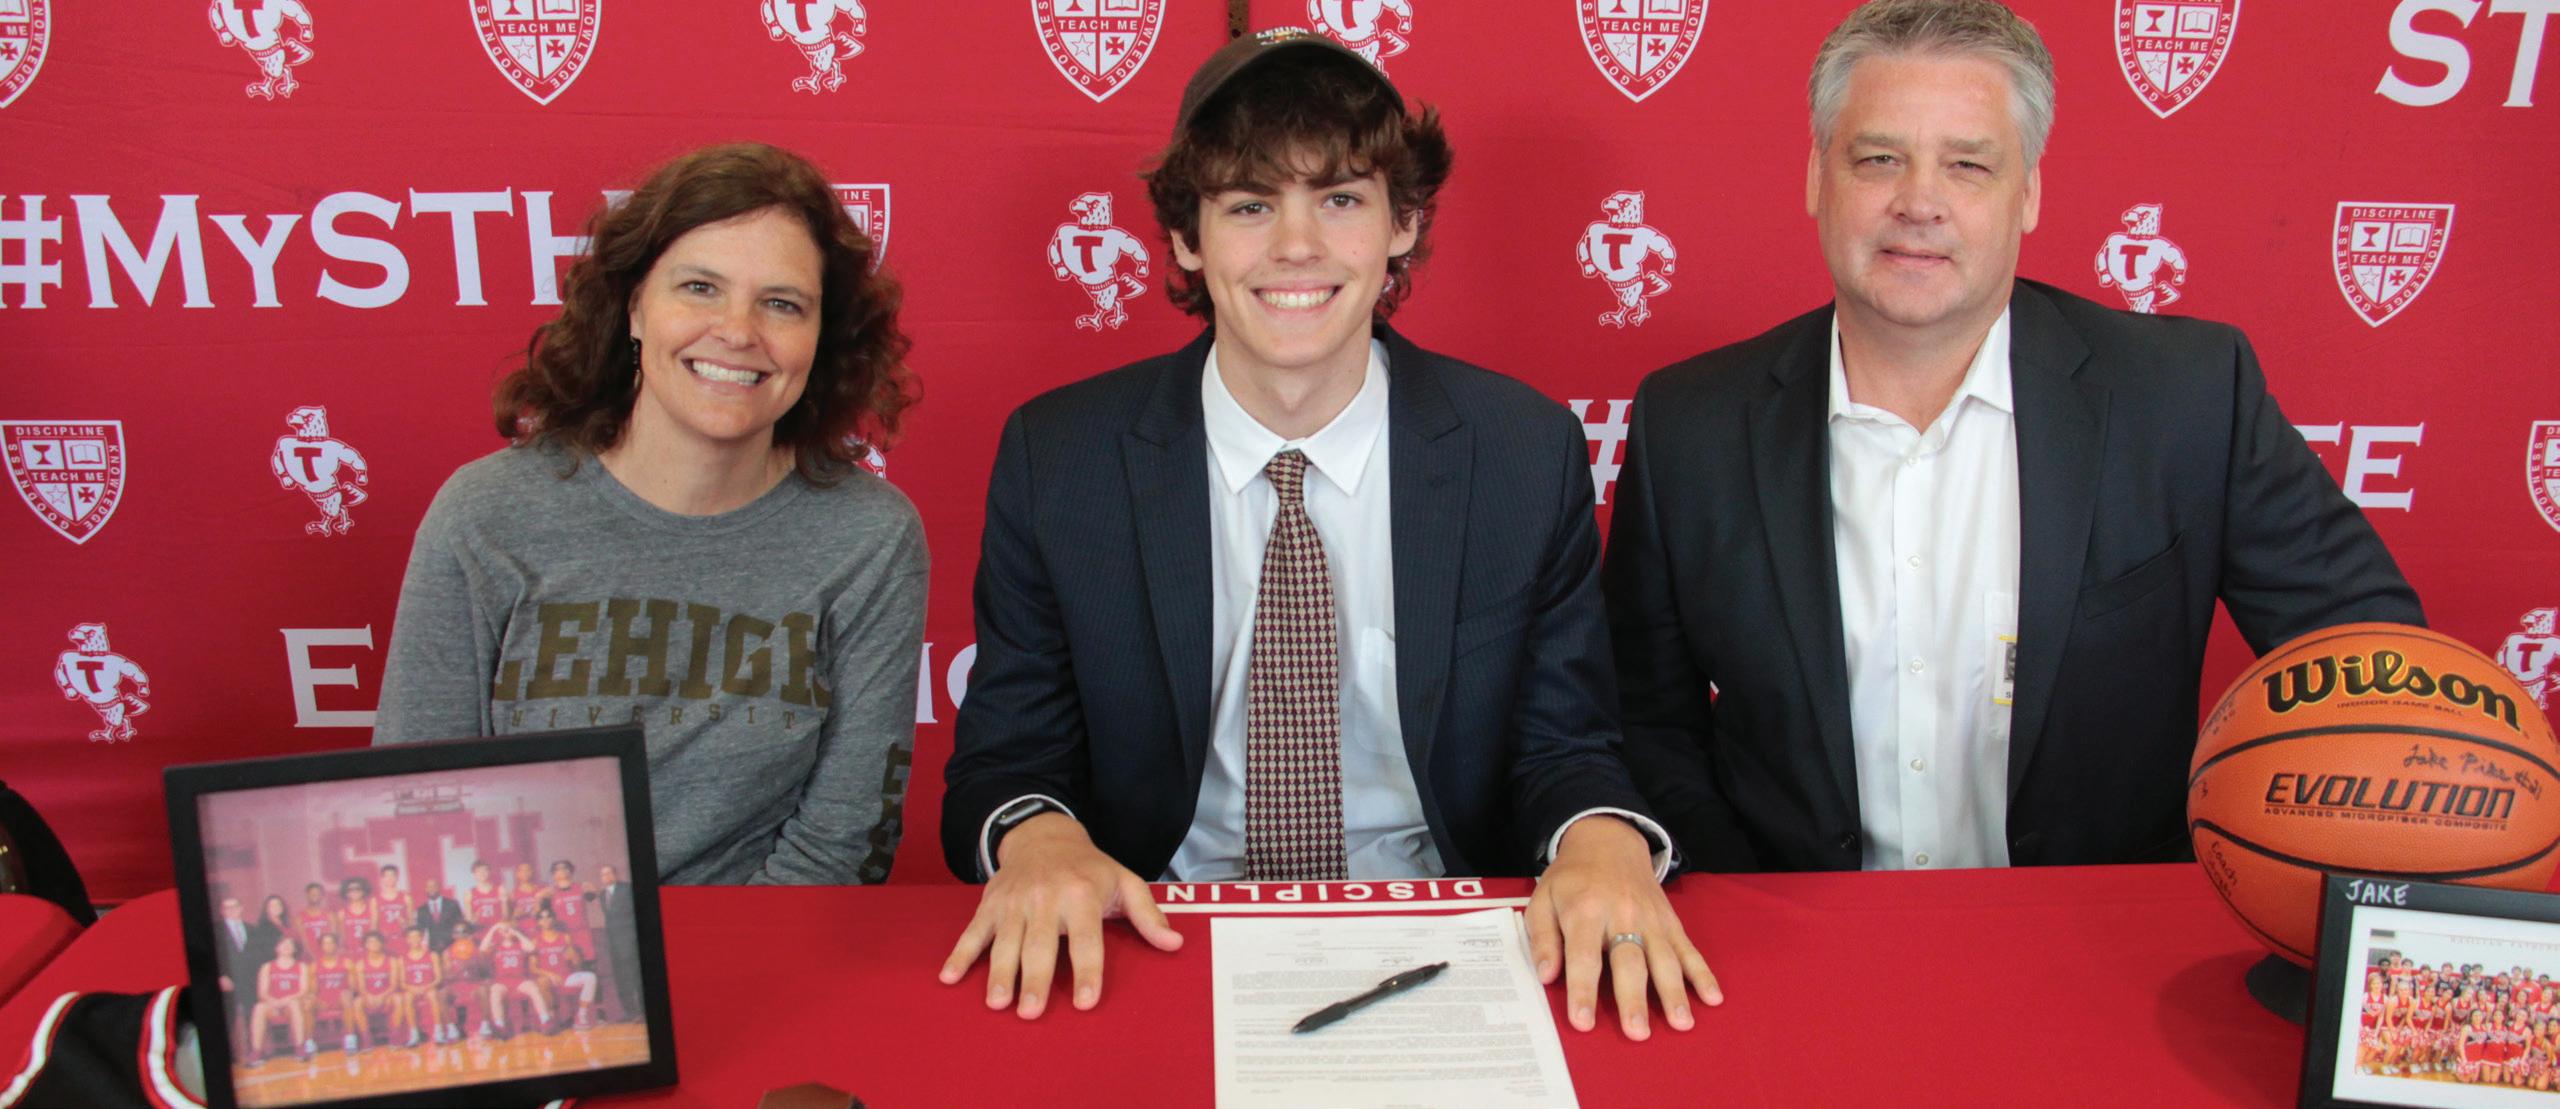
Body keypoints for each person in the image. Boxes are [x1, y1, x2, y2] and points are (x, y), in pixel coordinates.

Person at [938, 29, 1714, 1041]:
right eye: (1249, 205)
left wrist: (1600, 832)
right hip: (1157, 931)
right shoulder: (1062, 457)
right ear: (1185, 236)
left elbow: (1565, 743)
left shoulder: (1520, 450)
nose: (1296, 246)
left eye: (1340, 199)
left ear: (1403, 223)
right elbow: (1009, 756)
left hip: (1446, 932)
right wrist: (1037, 835)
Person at [1600, 0, 2422, 873]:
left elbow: (2370, 662)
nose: (1919, 202)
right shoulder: (1690, 424)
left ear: (2026, 193)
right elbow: (1644, 722)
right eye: (1879, 159)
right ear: (1816, 177)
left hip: (2106, 932)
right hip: (1788, 933)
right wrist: (1753, 905)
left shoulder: (2188, 398)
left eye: (1968, 164)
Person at [371, 141, 926, 886]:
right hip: (530, 940)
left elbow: (844, 839)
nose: (737, 330)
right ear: (634, 306)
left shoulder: (870, 536)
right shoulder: (486, 515)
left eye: (782, 303)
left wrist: (733, 953)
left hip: (767, 935)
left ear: (821, 337)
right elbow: (416, 804)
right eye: (700, 287)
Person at [246, 935, 313, 1064]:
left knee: (294, 1004)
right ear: (276, 948)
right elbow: (262, 992)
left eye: (290, 944)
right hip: (273, 1004)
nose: (286, 946)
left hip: (292, 1004)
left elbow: (303, 990)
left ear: (294, 949)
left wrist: (287, 999)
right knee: (259, 1007)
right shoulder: (267, 967)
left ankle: (299, 1048)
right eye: (283, 944)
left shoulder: (301, 966)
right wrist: (273, 1001)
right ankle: (256, 1052)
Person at [595, 863, 642, 1022]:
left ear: (615, 874)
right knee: (621, 978)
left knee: (635, 976)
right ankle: (630, 1012)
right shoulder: (603, 895)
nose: (606, 876)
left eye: (609, 873)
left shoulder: (627, 889)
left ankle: (643, 1011)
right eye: (603, 874)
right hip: (614, 945)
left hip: (630, 941)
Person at [415, 877, 465, 951]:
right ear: (425, 889)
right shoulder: (421, 909)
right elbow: (420, 930)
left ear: (439, 887)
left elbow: (460, 924)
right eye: (429, 886)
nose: (431, 889)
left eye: (434, 886)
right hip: (432, 948)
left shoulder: (452, 904)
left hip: (452, 946)